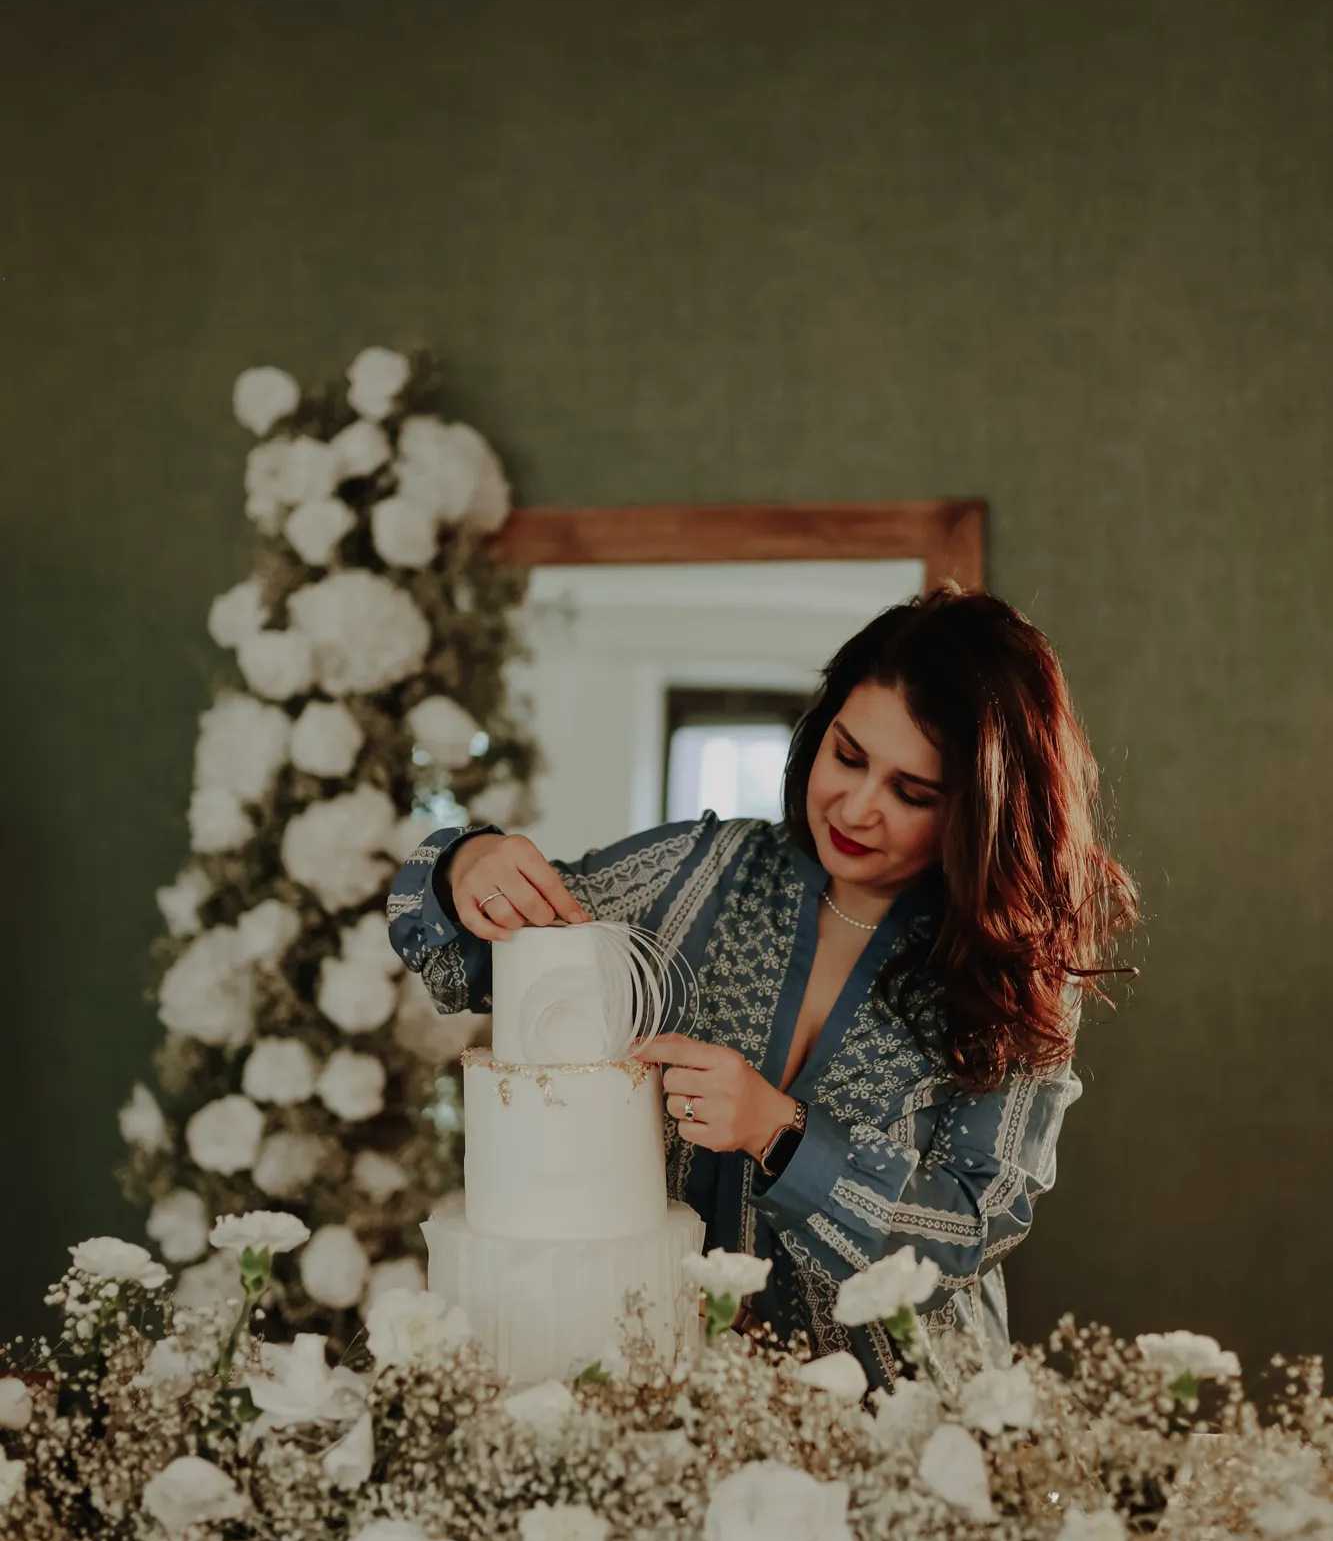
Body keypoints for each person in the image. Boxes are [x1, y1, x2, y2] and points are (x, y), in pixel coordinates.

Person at [386, 590, 1137, 1388]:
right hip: (666, 1400)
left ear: (980, 812)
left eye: (911, 793)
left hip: (901, 1422)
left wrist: (780, 1133)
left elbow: (968, 1227)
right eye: (847, 756)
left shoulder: (1016, 974)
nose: (857, 807)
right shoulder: (697, 874)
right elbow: (477, 947)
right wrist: (468, 864)